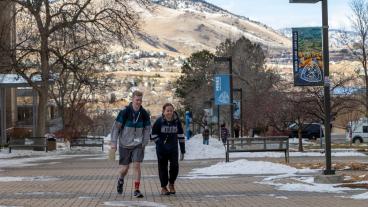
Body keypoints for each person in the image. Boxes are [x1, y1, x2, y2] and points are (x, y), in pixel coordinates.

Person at [110, 91, 151, 198]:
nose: (138, 102)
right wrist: (113, 143)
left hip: (138, 144)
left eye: (140, 100)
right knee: (125, 168)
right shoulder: (125, 112)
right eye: (137, 100)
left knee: (137, 165)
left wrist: (145, 141)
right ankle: (121, 179)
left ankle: (137, 189)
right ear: (132, 99)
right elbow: (116, 128)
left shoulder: (144, 113)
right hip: (125, 144)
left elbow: (147, 129)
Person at [151, 103, 185, 195]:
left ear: (173, 111)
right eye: (167, 110)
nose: (169, 112)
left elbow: (181, 136)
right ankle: (164, 187)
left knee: (175, 167)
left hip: (173, 149)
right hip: (162, 149)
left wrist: (182, 150)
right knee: (162, 168)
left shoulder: (177, 122)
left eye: (171, 110)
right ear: (164, 111)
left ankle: (171, 183)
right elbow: (153, 135)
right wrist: (159, 143)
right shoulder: (159, 121)